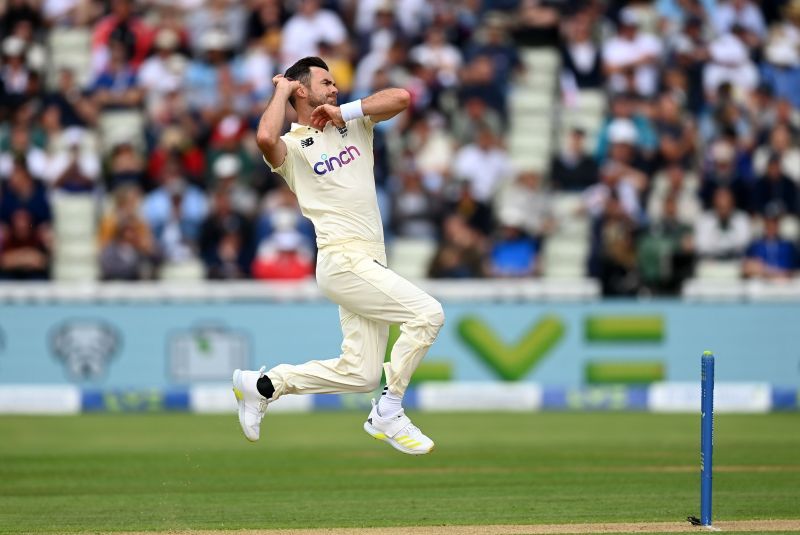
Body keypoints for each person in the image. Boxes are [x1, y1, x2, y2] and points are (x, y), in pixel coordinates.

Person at [232, 57, 444, 455]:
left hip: (369, 263)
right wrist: (280, 89)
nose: (334, 88)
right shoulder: (293, 148)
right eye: (325, 82)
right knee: (428, 314)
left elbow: (401, 97)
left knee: (361, 373)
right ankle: (389, 409)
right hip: (342, 259)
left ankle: (263, 386)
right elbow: (264, 139)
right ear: (300, 90)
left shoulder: (355, 122)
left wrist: (343, 110)